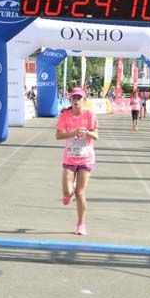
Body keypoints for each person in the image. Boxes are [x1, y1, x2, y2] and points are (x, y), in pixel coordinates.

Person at [55, 87, 99, 235]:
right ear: (70, 100)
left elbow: (96, 136)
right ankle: (69, 193)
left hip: (86, 158)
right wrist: (73, 133)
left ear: (84, 100)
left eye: (79, 98)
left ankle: (81, 223)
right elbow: (58, 136)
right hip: (70, 158)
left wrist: (87, 133)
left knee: (80, 193)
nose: (76, 101)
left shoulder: (90, 115)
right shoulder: (64, 115)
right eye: (74, 98)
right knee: (67, 192)